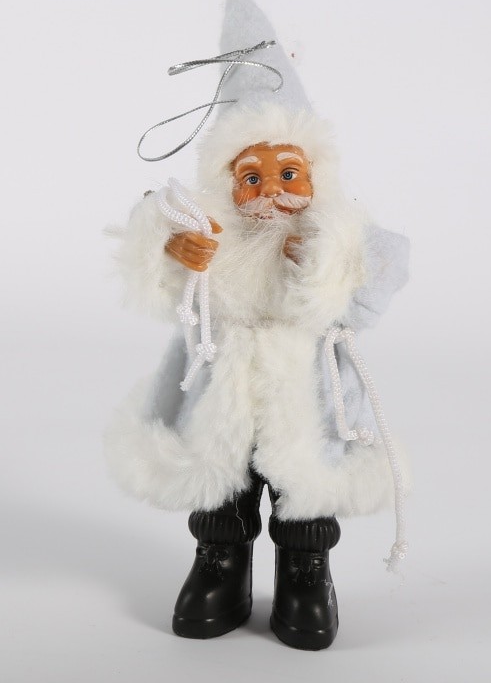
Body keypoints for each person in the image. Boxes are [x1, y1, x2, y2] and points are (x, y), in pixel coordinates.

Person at [106, 99, 409, 649]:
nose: (271, 190)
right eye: (252, 177)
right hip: (223, 379)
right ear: (228, 184)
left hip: (308, 384)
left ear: (316, 176)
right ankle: (220, 558)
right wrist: (169, 247)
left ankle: (304, 567)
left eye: (288, 174)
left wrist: (322, 260)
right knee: (221, 476)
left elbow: (378, 276)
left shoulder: (340, 232)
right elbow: (153, 253)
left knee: (305, 481)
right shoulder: (213, 237)